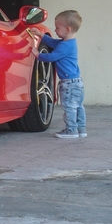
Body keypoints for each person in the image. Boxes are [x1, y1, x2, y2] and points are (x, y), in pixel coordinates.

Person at [30, 10, 85, 139]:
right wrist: (42, 35)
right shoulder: (68, 43)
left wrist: (38, 55)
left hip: (68, 84)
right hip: (77, 82)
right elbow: (53, 43)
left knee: (69, 107)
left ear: (67, 29)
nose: (55, 30)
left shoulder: (65, 46)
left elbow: (52, 56)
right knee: (78, 106)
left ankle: (71, 130)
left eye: (57, 27)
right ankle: (81, 128)